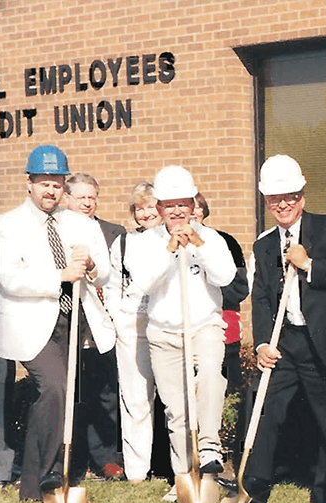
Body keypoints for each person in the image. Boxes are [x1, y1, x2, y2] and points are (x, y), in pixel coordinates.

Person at [245, 154, 326, 503]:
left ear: (302, 196)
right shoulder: (264, 245)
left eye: (290, 196)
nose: (282, 204)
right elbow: (263, 298)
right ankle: (253, 490)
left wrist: (309, 264)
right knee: (268, 411)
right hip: (287, 340)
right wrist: (264, 341)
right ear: (266, 200)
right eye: (274, 198)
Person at [0, 145, 112, 501]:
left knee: (59, 397)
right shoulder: (8, 225)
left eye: (57, 182)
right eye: (44, 182)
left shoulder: (80, 223)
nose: (50, 190)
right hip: (30, 321)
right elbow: (9, 278)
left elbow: (103, 274)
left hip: (73, 320)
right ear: (29, 183)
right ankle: (39, 483)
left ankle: (43, 477)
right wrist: (60, 275)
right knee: (53, 388)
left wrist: (91, 266)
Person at [127, 166, 236, 480]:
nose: (176, 211)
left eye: (183, 204)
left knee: (212, 377)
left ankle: (210, 446)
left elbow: (226, 277)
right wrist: (170, 250)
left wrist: (198, 247)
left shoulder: (211, 238)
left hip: (205, 325)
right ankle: (184, 475)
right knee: (176, 411)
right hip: (163, 333)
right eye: (169, 205)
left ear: (193, 205)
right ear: (159, 208)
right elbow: (146, 282)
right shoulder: (146, 243)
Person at [64, 173, 126, 480]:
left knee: (106, 393)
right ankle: (73, 460)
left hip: (103, 325)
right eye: (81, 197)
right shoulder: (55, 229)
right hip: (68, 325)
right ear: (67, 198)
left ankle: (106, 458)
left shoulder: (114, 232)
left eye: (92, 197)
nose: (88, 203)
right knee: (74, 396)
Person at [103, 182, 161, 483]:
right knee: (135, 399)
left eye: (151, 206)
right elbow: (112, 284)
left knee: (172, 400)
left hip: (166, 325)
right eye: (140, 208)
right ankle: (138, 471)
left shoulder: (170, 238)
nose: (146, 213)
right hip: (131, 327)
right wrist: (117, 317)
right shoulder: (123, 242)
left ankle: (172, 466)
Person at [192, 193, 248, 393]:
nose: (193, 212)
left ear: (204, 211)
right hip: (184, 337)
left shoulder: (226, 241)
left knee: (228, 394)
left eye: (197, 206)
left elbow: (240, 287)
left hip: (224, 330)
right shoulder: (171, 243)